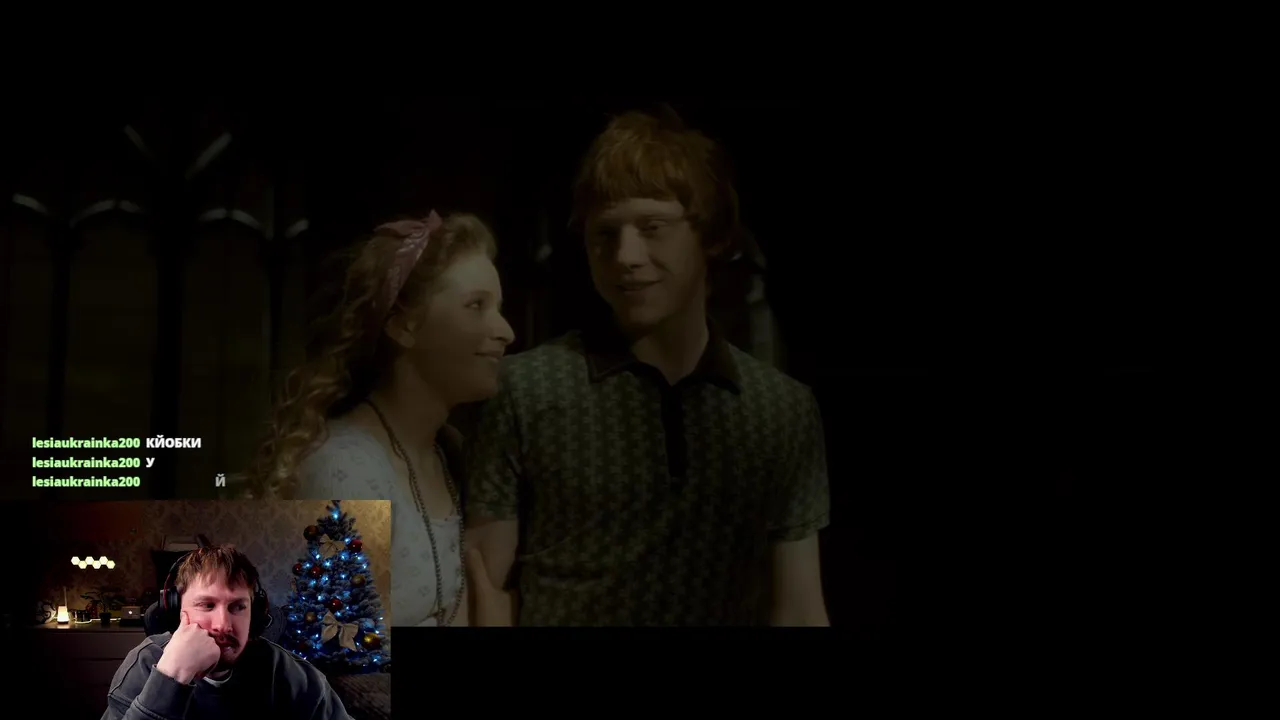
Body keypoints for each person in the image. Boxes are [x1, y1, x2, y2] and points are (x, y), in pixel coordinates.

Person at [466, 108, 831, 626]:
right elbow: (483, 585)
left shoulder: (782, 410)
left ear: (712, 236)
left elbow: (798, 607)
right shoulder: (526, 388)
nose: (626, 256)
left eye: (652, 227)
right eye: (604, 234)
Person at [246, 211, 515, 627]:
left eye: (498, 308)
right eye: (476, 306)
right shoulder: (344, 470)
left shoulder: (453, 458)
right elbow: (338, 653)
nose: (505, 331)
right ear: (404, 326)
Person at [103, 545, 350, 719]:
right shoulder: (144, 664)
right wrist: (170, 678)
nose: (222, 624)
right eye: (206, 605)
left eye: (238, 607)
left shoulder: (293, 676)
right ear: (177, 610)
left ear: (255, 612)